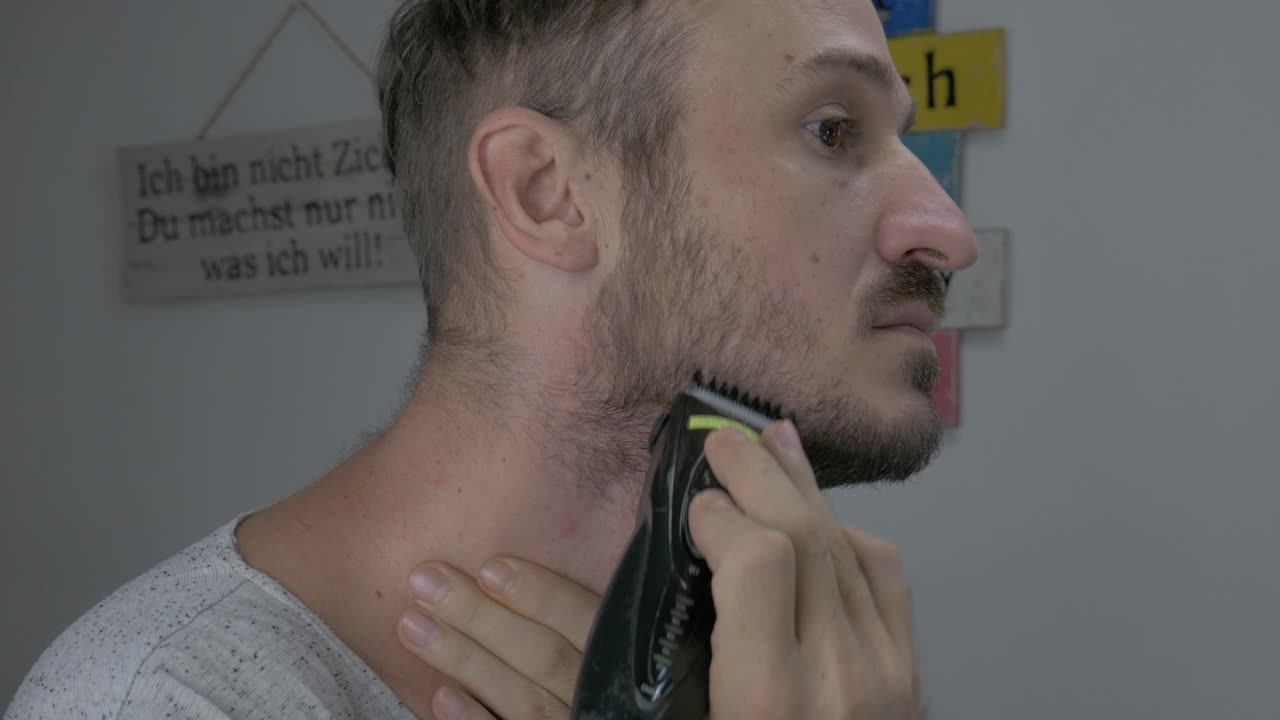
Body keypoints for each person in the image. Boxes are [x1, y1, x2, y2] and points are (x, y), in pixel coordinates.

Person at [5, 0, 976, 717]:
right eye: (832, 130)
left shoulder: (780, 673)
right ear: (548, 192)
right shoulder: (155, 700)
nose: (945, 229)